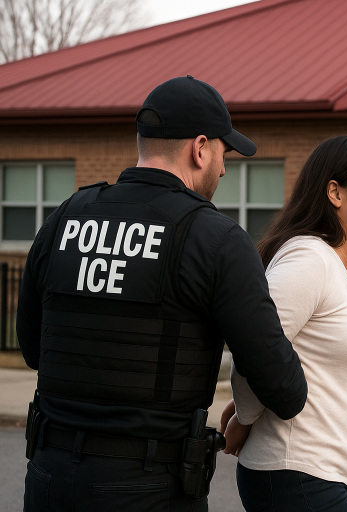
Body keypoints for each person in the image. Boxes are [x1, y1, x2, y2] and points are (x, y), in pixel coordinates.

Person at [16, 75, 307, 512]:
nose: (225, 168)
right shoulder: (216, 238)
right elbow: (283, 388)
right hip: (149, 487)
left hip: (48, 478)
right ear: (200, 148)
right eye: (224, 154)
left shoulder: (65, 217)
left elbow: (34, 349)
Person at [220, 135, 347, 512]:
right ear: (335, 192)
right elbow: (255, 347)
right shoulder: (308, 259)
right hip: (293, 469)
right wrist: (244, 416)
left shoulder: (344, 265)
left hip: (334, 470)